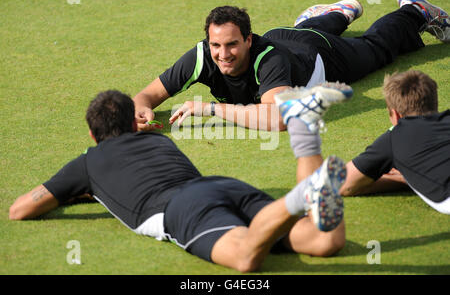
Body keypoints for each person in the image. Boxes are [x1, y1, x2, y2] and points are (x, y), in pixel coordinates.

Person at [9, 83, 351, 272]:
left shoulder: (87, 163)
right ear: (133, 124)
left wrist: (79, 190)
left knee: (246, 258)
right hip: (222, 185)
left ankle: (301, 196)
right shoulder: (156, 138)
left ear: (91, 134)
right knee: (325, 241)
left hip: (182, 208)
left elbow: (20, 209)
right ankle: (303, 129)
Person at [133, 0, 449, 132]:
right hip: (286, 36)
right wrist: (142, 110)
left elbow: (279, 120)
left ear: (248, 40)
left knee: (376, 49)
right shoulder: (202, 56)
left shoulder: (267, 60)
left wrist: (208, 108)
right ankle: (335, 13)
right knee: (308, 30)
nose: (223, 54)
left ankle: (414, 10)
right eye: (216, 45)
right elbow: (146, 95)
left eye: (232, 44)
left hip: (320, 58)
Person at [339, 70, 450, 215]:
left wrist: (405, 179)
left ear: (395, 114)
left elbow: (343, 184)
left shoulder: (393, 139)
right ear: (435, 102)